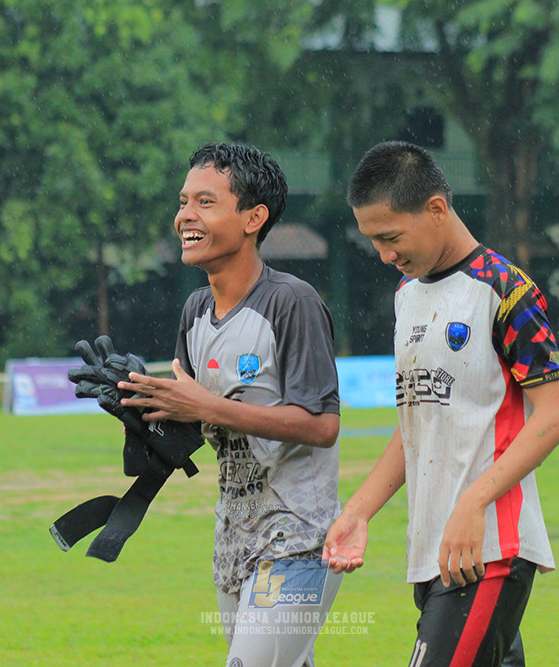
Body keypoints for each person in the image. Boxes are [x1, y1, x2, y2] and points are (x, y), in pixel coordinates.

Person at [323, 141, 559, 667]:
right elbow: (417, 421)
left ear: (436, 208)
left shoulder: (505, 290)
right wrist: (359, 510)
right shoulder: (406, 296)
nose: (384, 255)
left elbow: (557, 414)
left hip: (488, 549)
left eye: (390, 237)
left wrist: (474, 502)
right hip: (435, 551)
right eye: (372, 241)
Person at [117, 142, 343, 667]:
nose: (185, 217)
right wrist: (137, 408)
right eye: (182, 201)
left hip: (297, 540)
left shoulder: (292, 301)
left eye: (205, 202)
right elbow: (189, 428)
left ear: (253, 218)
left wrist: (206, 405)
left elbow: (322, 425)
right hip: (232, 540)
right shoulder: (195, 310)